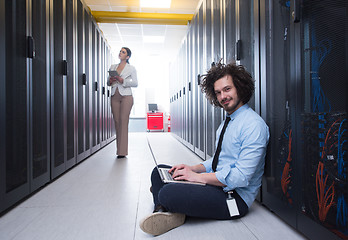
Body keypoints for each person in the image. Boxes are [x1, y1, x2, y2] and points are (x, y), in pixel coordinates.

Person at [139, 61, 269, 236]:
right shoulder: (227, 122)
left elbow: (241, 177)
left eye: (227, 89)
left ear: (240, 87)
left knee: (167, 191)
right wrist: (192, 168)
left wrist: (197, 178)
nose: (223, 96)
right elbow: (218, 160)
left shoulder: (254, 125)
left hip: (233, 198)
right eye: (218, 92)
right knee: (160, 171)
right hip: (216, 185)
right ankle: (165, 211)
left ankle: (165, 203)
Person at [107, 47, 138, 158]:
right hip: (115, 95)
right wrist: (110, 81)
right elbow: (108, 83)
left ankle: (122, 152)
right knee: (117, 122)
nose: (120, 53)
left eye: (123, 52)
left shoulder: (131, 68)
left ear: (128, 56)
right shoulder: (113, 67)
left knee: (123, 122)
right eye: (120, 51)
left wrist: (123, 81)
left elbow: (135, 83)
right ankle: (119, 149)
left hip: (126, 96)